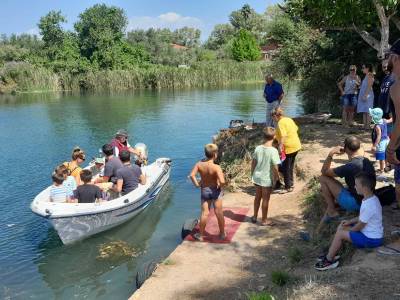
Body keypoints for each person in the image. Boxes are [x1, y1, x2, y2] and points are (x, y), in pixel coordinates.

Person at [315, 172, 383, 271]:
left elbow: (360, 225)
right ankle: (331, 252)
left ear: (364, 188)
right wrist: (349, 221)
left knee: (341, 233)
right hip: (369, 234)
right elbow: (362, 217)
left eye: (356, 185)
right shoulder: (370, 199)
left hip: (372, 240)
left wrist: (349, 229)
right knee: (342, 227)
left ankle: (328, 261)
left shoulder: (370, 205)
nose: (354, 187)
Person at [319, 136, 375, 224]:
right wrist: (348, 150)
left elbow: (324, 171)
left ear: (346, 149)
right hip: (368, 201)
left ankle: (332, 211)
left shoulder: (350, 166)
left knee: (323, 178)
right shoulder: (366, 161)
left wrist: (331, 154)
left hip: (355, 203)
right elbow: (356, 154)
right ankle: (333, 207)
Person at [189, 143, 226, 241]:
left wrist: (197, 185)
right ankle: (222, 234)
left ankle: (200, 235)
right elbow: (222, 181)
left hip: (205, 191)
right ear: (215, 155)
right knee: (219, 212)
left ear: (205, 154)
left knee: (205, 213)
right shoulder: (216, 167)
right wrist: (221, 187)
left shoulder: (199, 164)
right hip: (215, 191)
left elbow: (192, 175)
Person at [251, 127, 280, 225]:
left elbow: (253, 162)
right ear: (274, 137)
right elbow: (275, 167)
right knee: (266, 199)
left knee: (257, 197)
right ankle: (264, 220)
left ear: (263, 136)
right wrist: (277, 178)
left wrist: (252, 174)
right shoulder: (273, 151)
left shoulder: (258, 148)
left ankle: (255, 216)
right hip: (266, 178)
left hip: (257, 176)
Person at [271, 107, 301, 192]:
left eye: (272, 117)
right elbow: (296, 128)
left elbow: (283, 136)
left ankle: (288, 187)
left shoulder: (280, 123)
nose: (273, 119)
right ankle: (291, 183)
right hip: (296, 145)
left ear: (275, 116)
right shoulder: (288, 119)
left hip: (289, 148)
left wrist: (280, 146)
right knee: (290, 166)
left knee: (286, 167)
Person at [369, 108, 391, 173]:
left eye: (372, 116)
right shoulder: (384, 120)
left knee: (381, 157)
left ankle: (381, 170)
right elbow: (390, 120)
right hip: (387, 140)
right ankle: (387, 168)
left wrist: (374, 145)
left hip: (381, 142)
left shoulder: (377, 126)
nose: (371, 116)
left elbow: (379, 136)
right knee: (386, 156)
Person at [357, 64, 375, 130]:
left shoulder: (370, 75)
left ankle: (367, 127)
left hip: (368, 95)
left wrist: (365, 95)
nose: (362, 69)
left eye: (363, 68)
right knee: (364, 111)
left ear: (367, 68)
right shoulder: (366, 75)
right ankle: (365, 126)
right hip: (364, 95)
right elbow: (364, 86)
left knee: (368, 111)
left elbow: (369, 86)